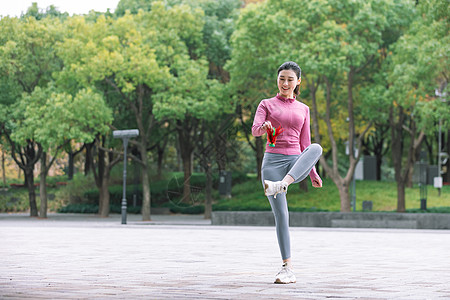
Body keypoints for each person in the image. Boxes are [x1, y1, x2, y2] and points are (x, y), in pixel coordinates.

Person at [251, 61, 323, 284]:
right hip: (272, 162)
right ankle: (287, 268)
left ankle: (283, 183)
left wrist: (312, 174)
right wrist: (265, 128)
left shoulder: (304, 109)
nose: (285, 83)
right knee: (282, 215)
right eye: (282, 78)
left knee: (317, 148)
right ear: (277, 80)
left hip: (295, 165)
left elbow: (306, 144)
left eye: (290, 79)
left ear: (298, 81)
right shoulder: (266, 104)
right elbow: (255, 130)